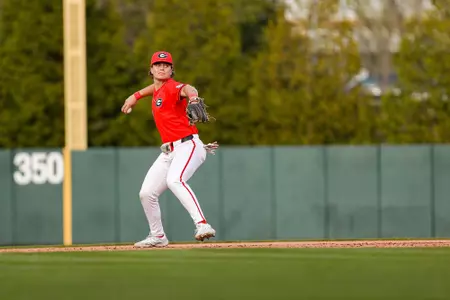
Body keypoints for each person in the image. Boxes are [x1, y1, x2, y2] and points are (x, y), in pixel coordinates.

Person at [121, 51, 218, 248]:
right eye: (158, 64)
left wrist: (193, 98)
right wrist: (135, 96)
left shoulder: (174, 87)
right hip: (169, 151)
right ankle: (157, 236)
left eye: (166, 65)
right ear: (151, 69)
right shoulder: (157, 89)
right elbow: (152, 89)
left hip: (188, 145)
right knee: (146, 193)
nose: (162, 67)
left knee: (175, 180)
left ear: (172, 69)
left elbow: (189, 88)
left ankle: (202, 224)